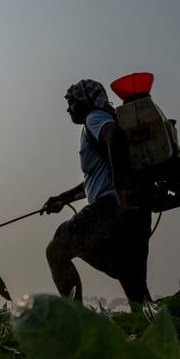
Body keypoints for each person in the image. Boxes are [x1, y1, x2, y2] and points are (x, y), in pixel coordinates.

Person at [40, 79, 153, 303]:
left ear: (85, 101)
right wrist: (64, 198)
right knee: (135, 288)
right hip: (137, 212)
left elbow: (114, 136)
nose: (68, 108)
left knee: (57, 249)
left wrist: (120, 192)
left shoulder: (95, 118)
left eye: (72, 102)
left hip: (110, 208)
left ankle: (78, 324)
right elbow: (102, 176)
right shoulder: (105, 121)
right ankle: (167, 333)